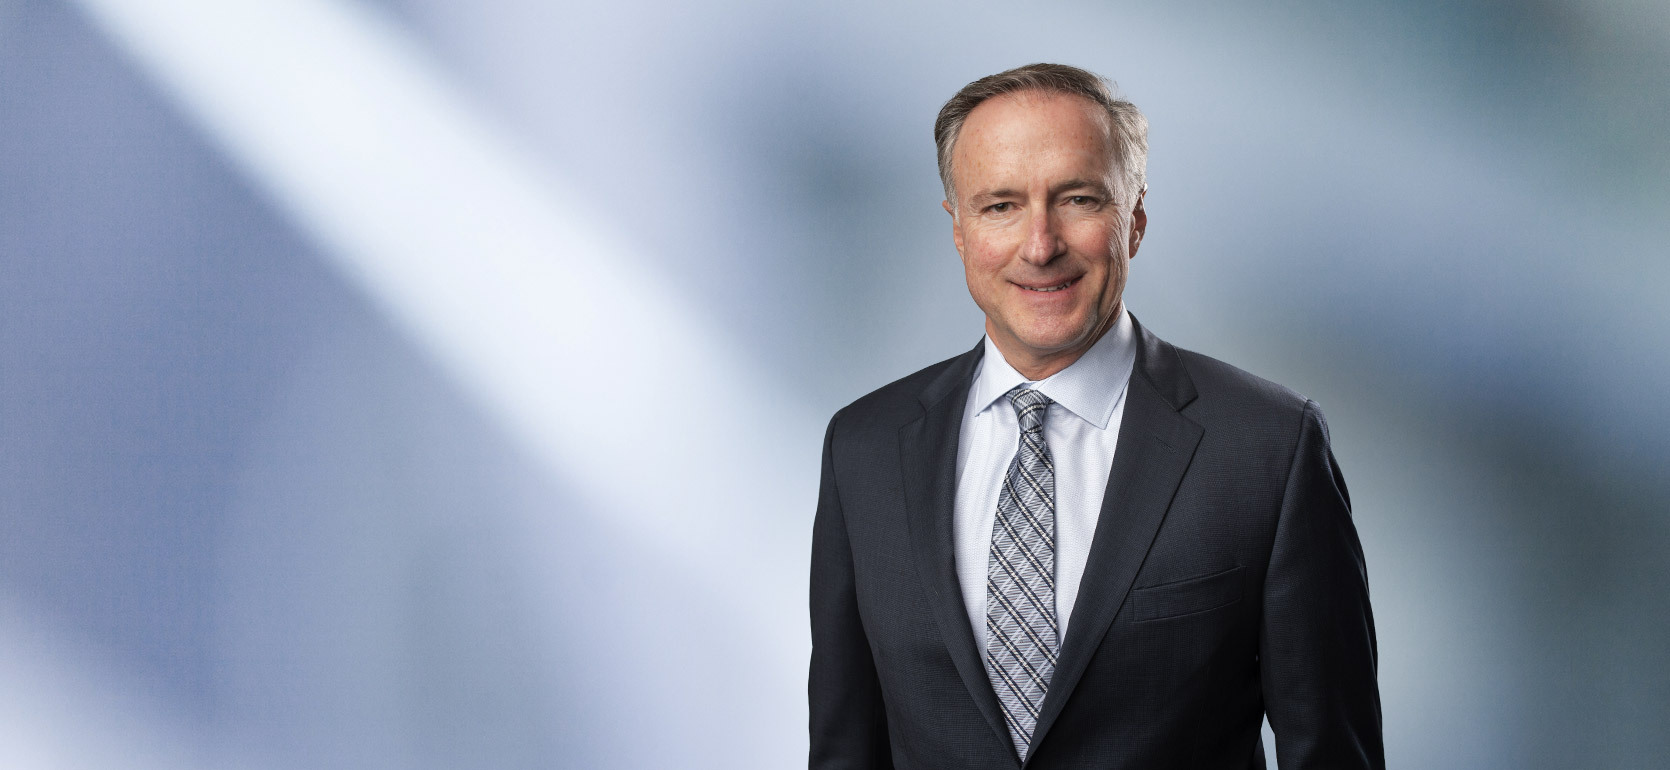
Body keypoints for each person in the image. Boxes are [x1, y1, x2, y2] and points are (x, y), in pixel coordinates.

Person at [808, 63, 1383, 769]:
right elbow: (844, 749)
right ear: (958, 229)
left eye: (1077, 200)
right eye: (1000, 207)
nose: (1041, 245)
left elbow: (1331, 753)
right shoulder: (863, 449)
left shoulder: (1268, 448)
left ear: (1134, 217)